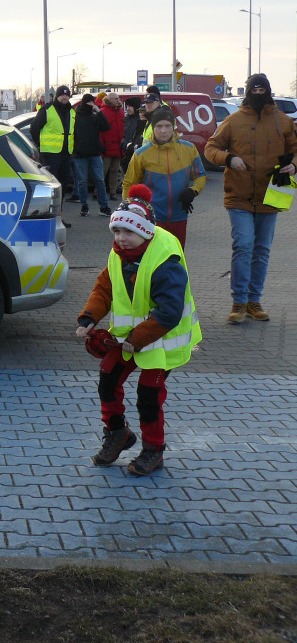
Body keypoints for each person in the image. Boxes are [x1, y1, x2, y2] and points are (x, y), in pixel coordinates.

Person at [75, 184, 201, 476]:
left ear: (145, 231)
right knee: (108, 378)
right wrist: (88, 318)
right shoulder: (118, 253)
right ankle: (118, 433)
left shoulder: (166, 260)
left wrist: (136, 339)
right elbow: (104, 289)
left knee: (148, 394)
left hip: (162, 340)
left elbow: (169, 311)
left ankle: (154, 450)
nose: (121, 238)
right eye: (116, 232)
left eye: (128, 232)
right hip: (130, 339)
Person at [204, 73, 297, 323]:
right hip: (239, 195)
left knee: (262, 250)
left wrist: (294, 165)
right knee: (243, 246)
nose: (258, 94)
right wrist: (228, 159)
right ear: (247, 92)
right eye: (253, 90)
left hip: (271, 195)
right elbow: (210, 148)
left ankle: (254, 301)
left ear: (268, 91)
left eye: (262, 90)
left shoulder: (284, 122)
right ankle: (239, 302)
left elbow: (296, 150)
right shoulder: (233, 121)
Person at [120, 105, 206, 248]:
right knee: (152, 261)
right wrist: (131, 211)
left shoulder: (189, 149)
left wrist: (193, 190)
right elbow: (129, 184)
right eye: (159, 126)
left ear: (173, 127)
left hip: (179, 216)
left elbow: (200, 175)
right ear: (153, 128)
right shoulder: (141, 154)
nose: (164, 130)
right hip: (152, 218)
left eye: (167, 126)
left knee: (176, 258)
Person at [30, 85, 76, 204]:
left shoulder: (72, 111)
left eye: (67, 95)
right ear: (57, 96)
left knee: (62, 187)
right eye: (62, 95)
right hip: (51, 155)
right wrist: (41, 145)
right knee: (50, 187)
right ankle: (49, 215)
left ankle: (59, 217)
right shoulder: (47, 109)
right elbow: (34, 129)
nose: (65, 97)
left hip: (66, 154)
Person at [70, 94, 111, 217]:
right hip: (80, 154)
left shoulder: (95, 116)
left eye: (93, 103)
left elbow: (106, 127)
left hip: (94, 154)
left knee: (100, 181)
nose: (91, 105)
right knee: (82, 182)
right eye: (89, 103)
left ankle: (103, 207)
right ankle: (84, 206)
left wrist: (99, 112)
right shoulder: (76, 116)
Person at [99, 92, 125, 195]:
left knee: (114, 171)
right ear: (109, 99)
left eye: (118, 98)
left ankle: (113, 191)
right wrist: (101, 146)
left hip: (118, 146)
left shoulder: (120, 112)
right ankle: (99, 192)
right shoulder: (103, 112)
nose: (118, 100)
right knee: (103, 171)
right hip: (107, 146)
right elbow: (100, 131)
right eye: (116, 98)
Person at [120, 97, 143, 169]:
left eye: (130, 106)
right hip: (127, 153)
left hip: (137, 153)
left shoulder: (141, 120)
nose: (127, 109)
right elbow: (124, 135)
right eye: (126, 106)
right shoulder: (127, 119)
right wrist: (124, 144)